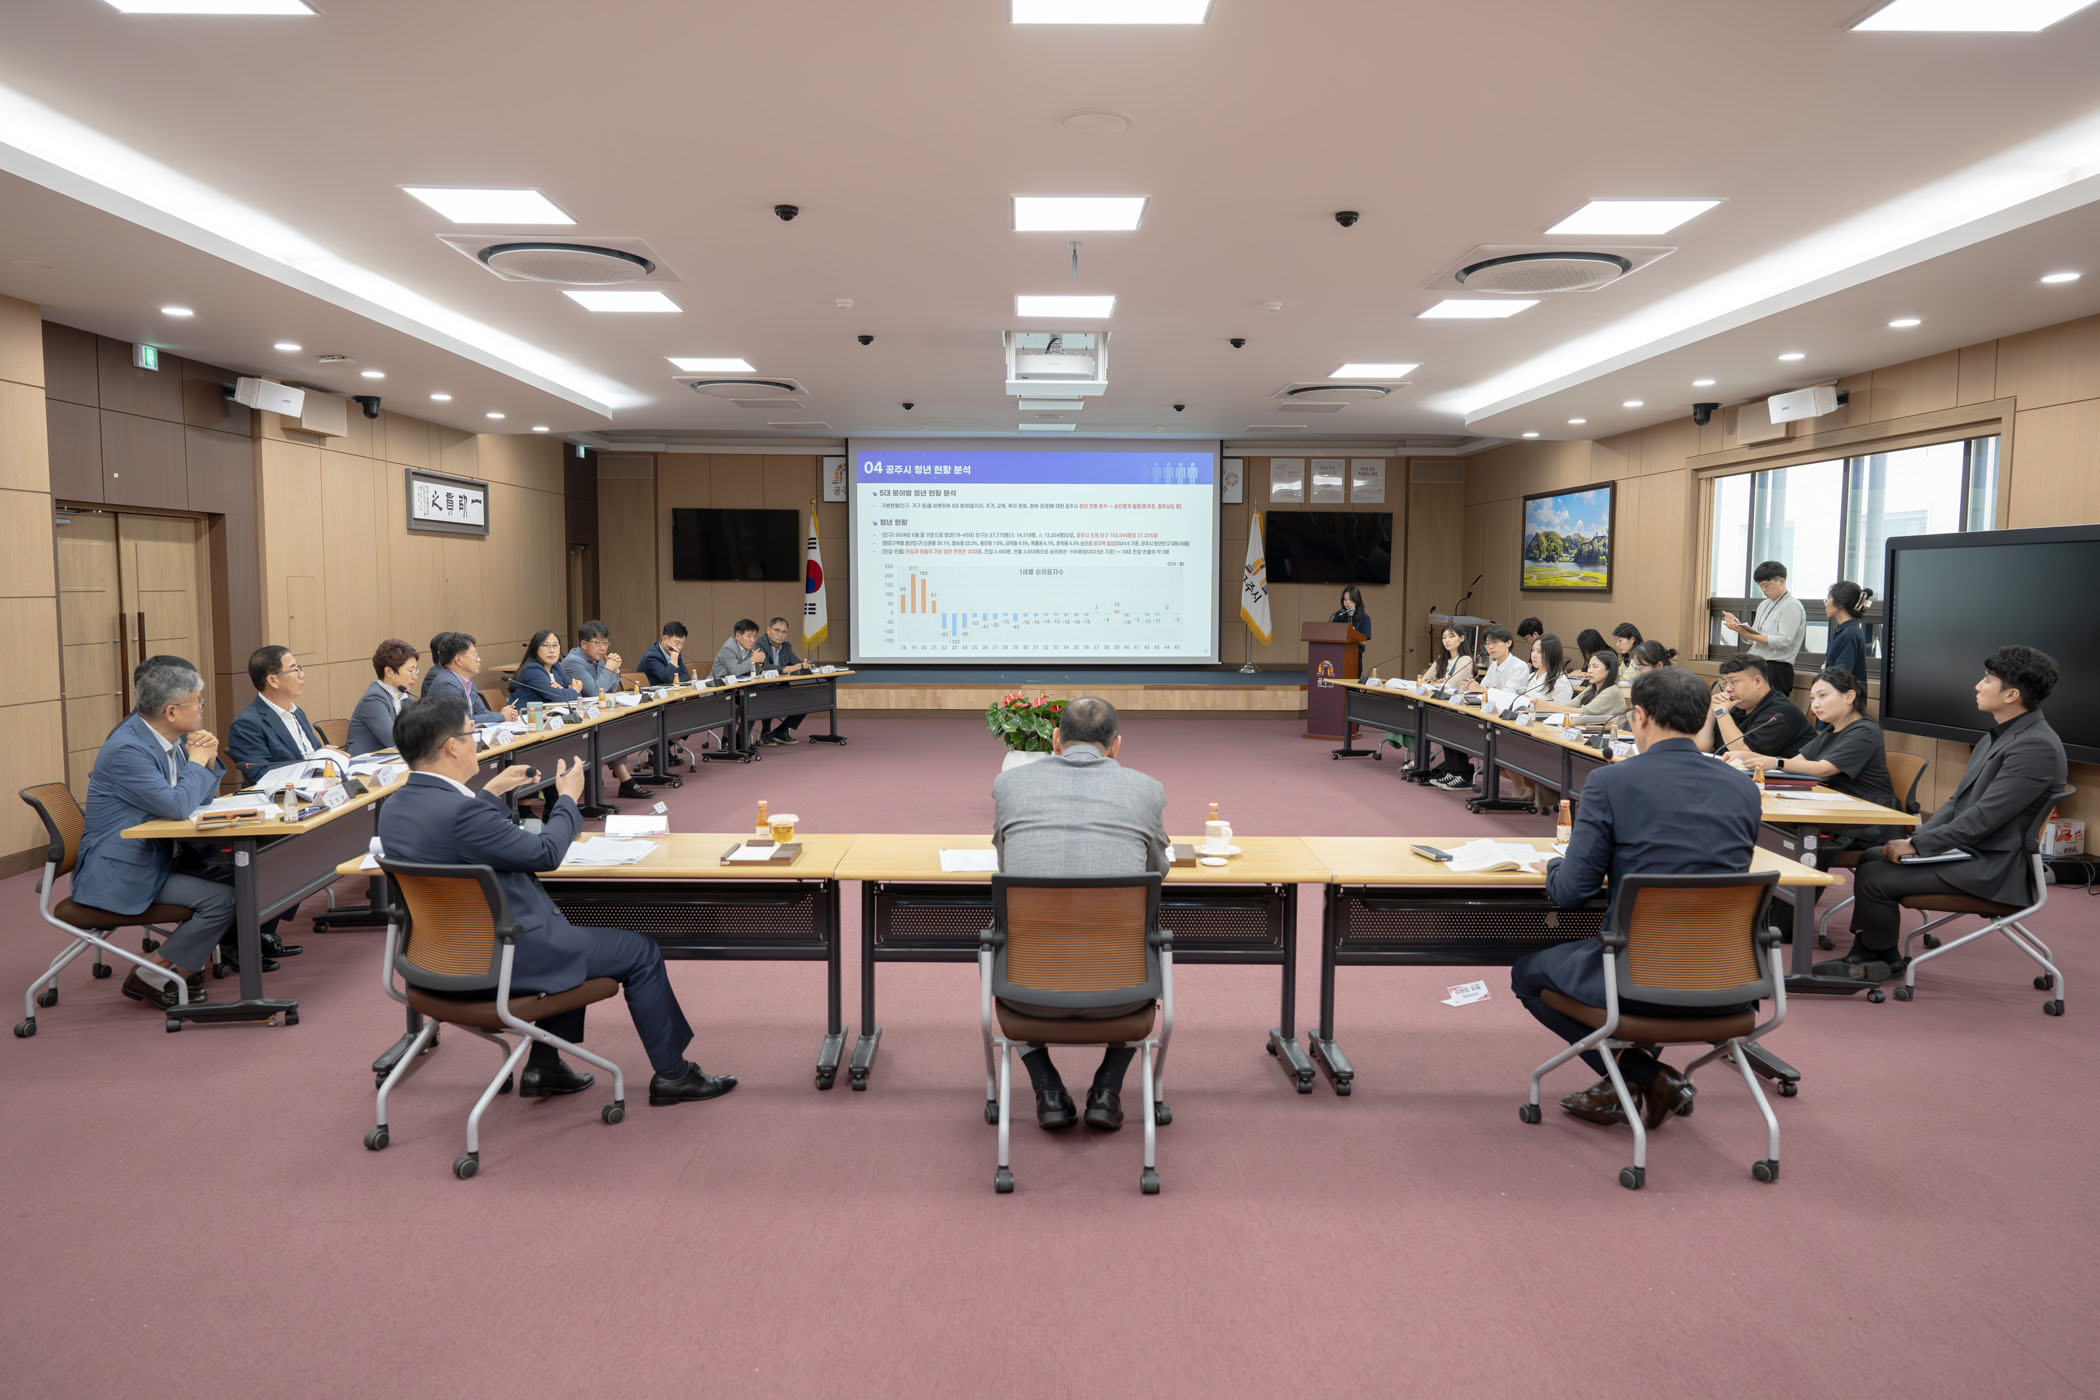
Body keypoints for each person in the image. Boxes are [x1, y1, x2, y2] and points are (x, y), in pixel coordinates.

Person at [375, 694, 735, 1106]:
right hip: (504, 959)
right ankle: (674, 1074)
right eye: (473, 733)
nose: (478, 742)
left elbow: (455, 839)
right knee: (639, 950)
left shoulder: (395, 807)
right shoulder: (463, 814)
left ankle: (545, 1066)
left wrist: (490, 793)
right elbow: (544, 854)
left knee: (567, 936)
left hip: (438, 961)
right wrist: (567, 799)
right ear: (453, 747)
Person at [1511, 666, 1763, 1130]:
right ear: (1703, 718)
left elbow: (1571, 892)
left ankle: (1645, 1076)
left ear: (1639, 717)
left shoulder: (1611, 782)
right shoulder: (1744, 788)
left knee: (1527, 974)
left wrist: (1553, 866)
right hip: (1729, 977)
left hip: (1639, 975)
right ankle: (1627, 1085)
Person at [1821, 646, 2067, 978]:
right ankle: (1877, 954)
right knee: (1871, 857)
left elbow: (1985, 817)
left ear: (2012, 695)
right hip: (1973, 851)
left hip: (1996, 867)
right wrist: (1920, 839)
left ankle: (1872, 960)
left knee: (1877, 876)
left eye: (1987, 680)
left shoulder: (2035, 746)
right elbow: (1956, 803)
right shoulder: (1998, 736)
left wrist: (1919, 847)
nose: (1977, 685)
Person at [991, 697, 1169, 1133]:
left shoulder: (1009, 785)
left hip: (1025, 990)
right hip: (1123, 991)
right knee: (1140, 937)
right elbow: (1158, 870)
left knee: (1001, 937)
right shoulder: (1147, 789)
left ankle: (1046, 1087)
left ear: (1055, 739)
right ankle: (1108, 1088)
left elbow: (1006, 862)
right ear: (1116, 745)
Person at [73, 656, 235, 1011]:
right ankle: (152, 973)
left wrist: (206, 760)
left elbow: (199, 798)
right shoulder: (128, 749)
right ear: (172, 712)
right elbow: (177, 806)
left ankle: (182, 970)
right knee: (224, 898)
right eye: (197, 702)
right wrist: (197, 761)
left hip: (157, 855)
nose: (202, 708)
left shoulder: (165, 738)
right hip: (121, 871)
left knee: (240, 873)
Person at [1728, 666, 1896, 849]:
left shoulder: (1865, 731)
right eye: (1813, 698)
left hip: (1866, 819)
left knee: (1778, 838)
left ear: (1849, 697)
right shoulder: (1832, 729)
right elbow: (1797, 762)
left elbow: (1823, 768)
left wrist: (1776, 762)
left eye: (1822, 696)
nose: (1815, 705)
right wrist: (1746, 756)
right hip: (1835, 810)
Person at [559, 621, 655, 800]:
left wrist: (614, 671)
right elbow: (595, 693)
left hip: (593, 715)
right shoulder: (574, 662)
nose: (603, 648)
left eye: (605, 643)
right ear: (584, 644)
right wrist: (610, 668)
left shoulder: (597, 659)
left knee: (613, 725)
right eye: (598, 643)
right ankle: (625, 781)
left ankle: (622, 780)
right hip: (574, 718)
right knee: (609, 729)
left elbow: (609, 692)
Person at [1431, 625, 1531, 791]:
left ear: (1508, 643)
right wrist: (1471, 687)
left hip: (1507, 719)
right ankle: (1454, 770)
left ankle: (1463, 773)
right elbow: (1482, 690)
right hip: (1488, 713)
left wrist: (1482, 690)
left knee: (1457, 725)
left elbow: (1507, 697)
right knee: (1449, 719)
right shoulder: (1494, 665)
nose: (1490, 647)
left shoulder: (1518, 666)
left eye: (1495, 643)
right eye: (1487, 644)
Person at [227, 644, 321, 786]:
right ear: (273, 680)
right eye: (294, 669)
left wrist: (325, 756)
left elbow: (312, 753)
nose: (302, 675)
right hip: (284, 796)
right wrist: (312, 764)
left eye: (299, 668)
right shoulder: (246, 724)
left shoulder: (297, 712)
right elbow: (261, 775)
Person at [1697, 656, 1811, 760]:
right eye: (1724, 683)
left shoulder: (1781, 712)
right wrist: (1711, 711)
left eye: (1733, 682)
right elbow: (1703, 749)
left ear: (1758, 681)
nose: (1727, 689)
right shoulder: (1736, 706)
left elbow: (1742, 754)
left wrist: (1721, 712)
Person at [1721, 560, 1806, 698]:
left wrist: (1748, 634)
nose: (1764, 590)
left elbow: (1783, 641)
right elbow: (1753, 638)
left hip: (1776, 668)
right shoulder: (1764, 604)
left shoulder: (1791, 605)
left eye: (1766, 585)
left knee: (1768, 706)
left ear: (1781, 581)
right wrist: (1738, 627)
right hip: (1756, 663)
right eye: (1761, 586)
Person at [426, 631, 518, 724]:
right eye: (475, 655)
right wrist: (502, 716)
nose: (479, 659)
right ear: (458, 660)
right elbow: (463, 720)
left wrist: (505, 715)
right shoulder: (447, 684)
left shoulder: (466, 679)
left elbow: (481, 712)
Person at [348, 638, 420, 755]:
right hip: (366, 762)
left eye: (416, 671)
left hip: (392, 758)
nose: (415, 677)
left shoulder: (402, 693)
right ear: (389, 672)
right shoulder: (373, 699)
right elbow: (393, 740)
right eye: (410, 671)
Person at [755, 616, 811, 746]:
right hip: (762, 689)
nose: (780, 635)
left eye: (784, 632)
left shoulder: (786, 646)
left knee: (807, 701)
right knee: (770, 698)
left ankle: (781, 731)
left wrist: (804, 665)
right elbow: (764, 667)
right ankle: (766, 732)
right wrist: (788, 669)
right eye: (777, 630)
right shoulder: (760, 644)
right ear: (769, 630)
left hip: (781, 688)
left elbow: (796, 663)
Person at [1532, 649, 1629, 720]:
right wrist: (1545, 707)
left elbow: (1584, 712)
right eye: (1589, 667)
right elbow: (1570, 705)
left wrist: (1549, 707)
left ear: (1609, 670)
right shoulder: (1591, 688)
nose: (1590, 670)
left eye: (1595, 667)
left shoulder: (1612, 690)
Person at [511, 629, 585, 707]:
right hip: (529, 713)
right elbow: (561, 697)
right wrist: (571, 691)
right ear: (536, 648)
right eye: (545, 646)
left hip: (552, 712)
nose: (552, 650)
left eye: (555, 646)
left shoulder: (555, 666)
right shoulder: (532, 669)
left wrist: (564, 691)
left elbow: (574, 693)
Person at [1823, 582, 1871, 700]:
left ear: (1840, 603)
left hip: (1842, 702)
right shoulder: (1845, 630)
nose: (1825, 603)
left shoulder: (1850, 633)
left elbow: (1841, 675)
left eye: (1828, 598)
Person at [639, 621, 694, 686]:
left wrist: (674, 679)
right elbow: (668, 679)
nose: (679, 647)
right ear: (665, 639)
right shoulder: (651, 656)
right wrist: (673, 659)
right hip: (649, 692)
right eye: (677, 643)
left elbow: (686, 676)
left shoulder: (675, 652)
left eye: (682, 644)